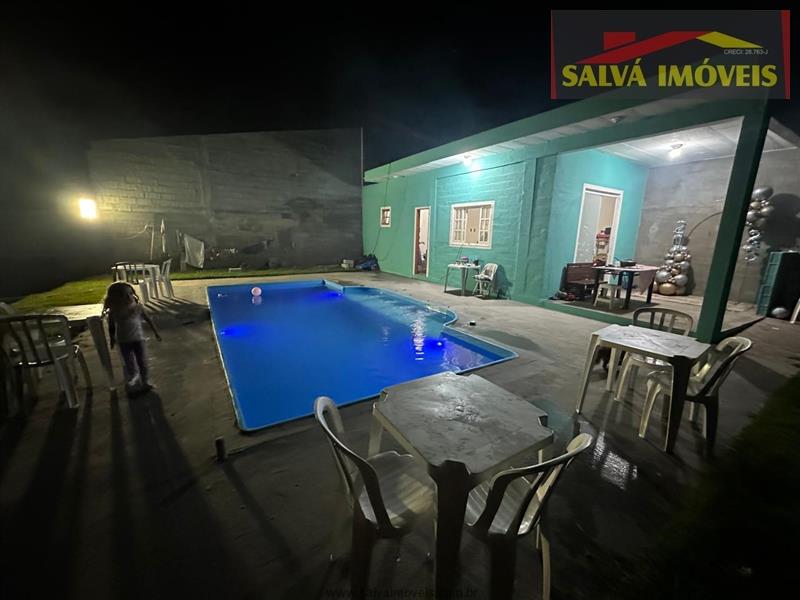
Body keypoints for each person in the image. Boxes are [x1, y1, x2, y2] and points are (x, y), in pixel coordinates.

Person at [103, 281, 161, 395]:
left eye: (130, 294)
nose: (129, 297)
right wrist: (112, 339)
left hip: (138, 339)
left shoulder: (138, 307)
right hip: (123, 341)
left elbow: (148, 319)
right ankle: (133, 384)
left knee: (142, 362)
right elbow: (111, 326)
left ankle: (145, 382)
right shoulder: (114, 311)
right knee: (129, 364)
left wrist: (156, 332)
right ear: (115, 299)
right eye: (124, 296)